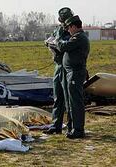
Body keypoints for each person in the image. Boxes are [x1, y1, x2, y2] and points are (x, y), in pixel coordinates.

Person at [57, 15, 90, 139]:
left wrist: (57, 40)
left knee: (76, 102)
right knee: (72, 102)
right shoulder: (78, 37)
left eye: (69, 28)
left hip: (75, 73)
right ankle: (73, 127)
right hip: (73, 72)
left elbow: (63, 47)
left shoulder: (79, 38)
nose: (68, 31)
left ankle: (78, 130)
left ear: (74, 26)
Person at [43, 7, 74, 135]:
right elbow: (52, 39)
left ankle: (71, 126)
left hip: (65, 65)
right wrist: (49, 43)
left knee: (67, 98)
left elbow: (66, 45)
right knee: (58, 97)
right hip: (58, 65)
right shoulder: (58, 30)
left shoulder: (70, 31)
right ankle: (56, 125)